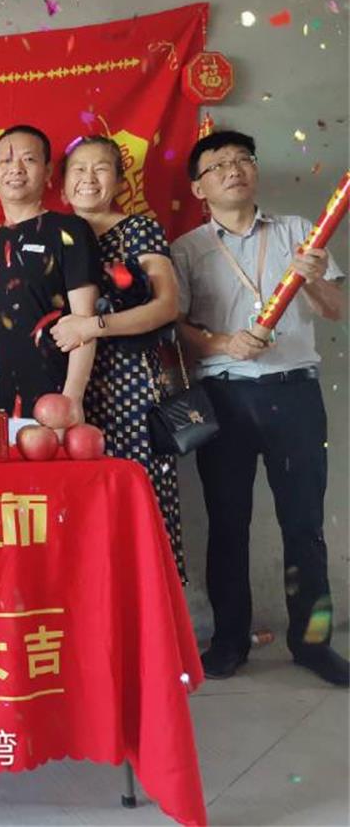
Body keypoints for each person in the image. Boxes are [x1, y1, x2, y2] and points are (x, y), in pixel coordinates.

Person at [173, 129, 347, 686]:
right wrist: (223, 343)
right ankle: (229, 642)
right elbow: (176, 329)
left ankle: (313, 644)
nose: (233, 170)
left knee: (304, 524)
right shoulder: (186, 249)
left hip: (295, 394)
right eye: (218, 164)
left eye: (242, 159)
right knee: (227, 524)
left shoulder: (298, 231)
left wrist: (313, 280)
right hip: (223, 397)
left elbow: (335, 309)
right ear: (199, 188)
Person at [49, 136, 185, 580]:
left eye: (101, 168)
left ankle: (154, 608)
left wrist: (94, 326)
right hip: (68, 386)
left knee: (138, 496)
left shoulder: (139, 231)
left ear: (121, 182)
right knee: (80, 506)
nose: (89, 178)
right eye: (78, 170)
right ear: (62, 186)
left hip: (130, 388)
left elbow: (166, 306)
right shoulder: (54, 235)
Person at [0, 125, 102, 415]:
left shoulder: (70, 231)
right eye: (6, 161)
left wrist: (72, 398)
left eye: (28, 159)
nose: (16, 169)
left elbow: (85, 320)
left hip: (52, 400)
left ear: (48, 171)